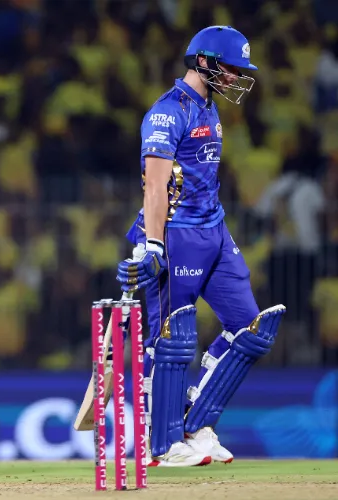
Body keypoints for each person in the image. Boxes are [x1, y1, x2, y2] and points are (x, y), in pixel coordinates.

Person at [116, 26, 286, 467]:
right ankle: (164, 443)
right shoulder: (167, 113)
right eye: (230, 68)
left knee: (250, 328)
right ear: (204, 62)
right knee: (169, 342)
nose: (235, 77)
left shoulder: (207, 107)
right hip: (176, 236)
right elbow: (154, 187)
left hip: (214, 229)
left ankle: (198, 421)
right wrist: (153, 246)